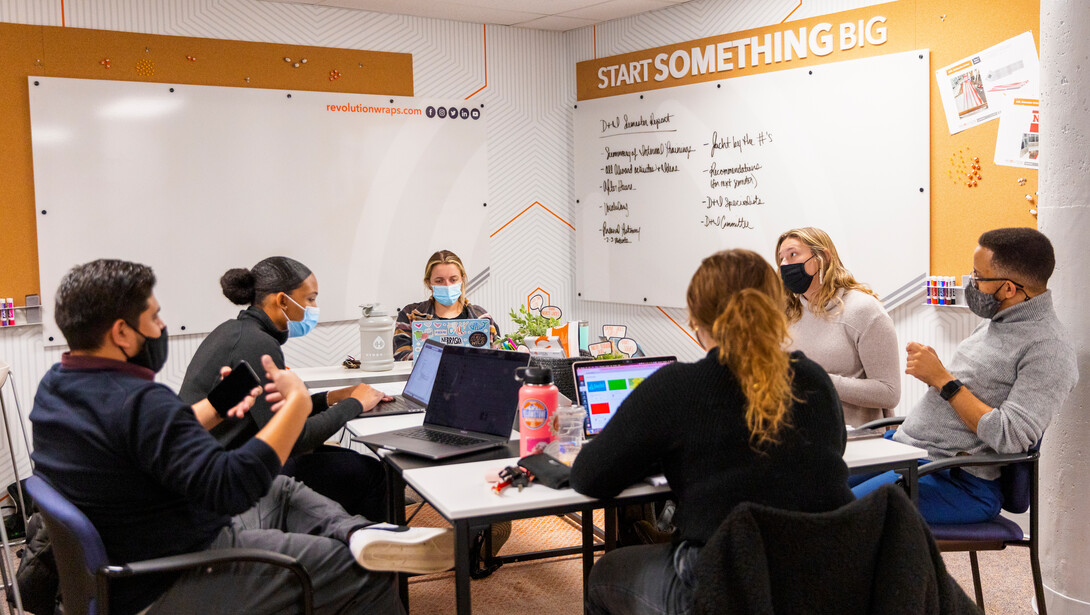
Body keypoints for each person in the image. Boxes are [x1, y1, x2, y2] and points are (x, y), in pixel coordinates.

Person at [30, 259, 453, 615]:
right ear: (122, 333)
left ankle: (364, 534)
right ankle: (365, 553)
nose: (161, 327)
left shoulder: (58, 387)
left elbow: (144, 439)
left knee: (283, 489)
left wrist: (216, 405)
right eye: (155, 318)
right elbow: (235, 487)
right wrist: (296, 409)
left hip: (143, 549)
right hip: (172, 576)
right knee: (366, 574)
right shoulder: (138, 402)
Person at [570, 249, 853, 615]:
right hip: (822, 571)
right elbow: (833, 449)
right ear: (776, 311)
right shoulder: (812, 376)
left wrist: (654, 453)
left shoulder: (677, 387)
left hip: (722, 583)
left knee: (604, 572)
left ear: (695, 320)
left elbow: (589, 477)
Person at [853, 228, 1078, 524]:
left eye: (978, 277)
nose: (971, 283)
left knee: (841, 517)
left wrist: (943, 381)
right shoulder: (997, 321)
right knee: (807, 488)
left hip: (959, 481)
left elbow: (1009, 437)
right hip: (910, 451)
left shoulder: (1048, 349)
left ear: (1009, 289)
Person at [179, 256, 391, 521]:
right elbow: (296, 438)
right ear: (282, 300)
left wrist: (331, 398)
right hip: (228, 478)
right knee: (370, 473)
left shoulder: (238, 332)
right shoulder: (257, 345)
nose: (314, 308)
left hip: (225, 461)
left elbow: (272, 412)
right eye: (311, 299)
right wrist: (355, 404)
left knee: (348, 462)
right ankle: (381, 555)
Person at [775, 227, 901, 427]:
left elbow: (889, 393)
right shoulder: (787, 312)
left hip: (856, 441)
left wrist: (817, 378)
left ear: (823, 257)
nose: (784, 265)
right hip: (796, 434)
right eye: (781, 259)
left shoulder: (864, 310)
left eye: (792, 254)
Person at [393, 249, 500, 361]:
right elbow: (400, 355)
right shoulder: (411, 315)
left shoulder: (481, 317)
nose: (447, 286)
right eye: (439, 281)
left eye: (453, 280)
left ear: (462, 279)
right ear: (429, 283)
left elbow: (498, 355)